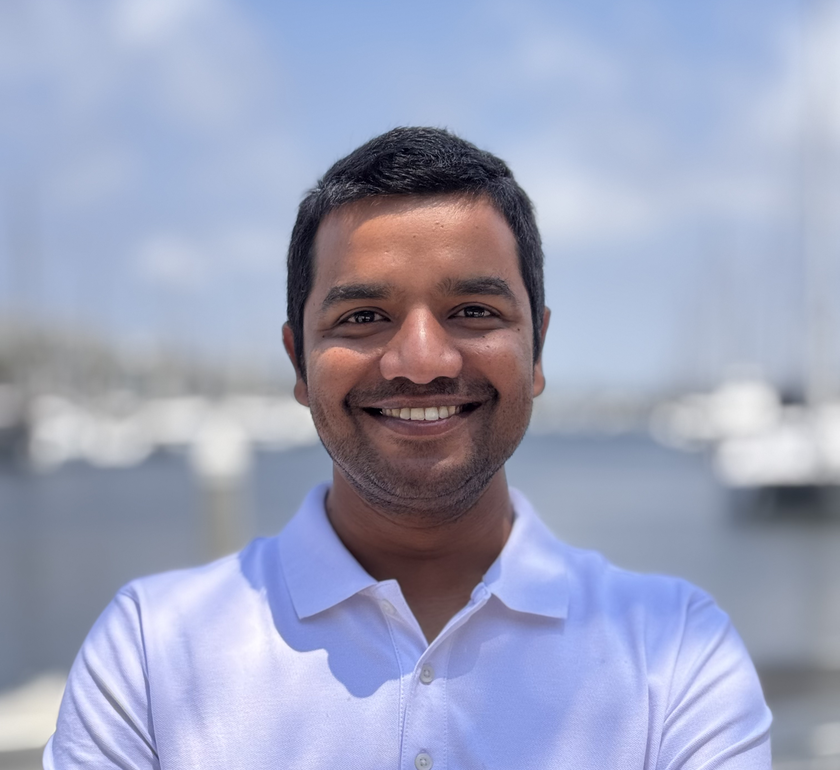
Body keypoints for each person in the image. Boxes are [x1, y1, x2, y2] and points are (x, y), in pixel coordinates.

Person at [45, 127, 771, 769]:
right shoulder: (150, 650)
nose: (421, 360)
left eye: (473, 312)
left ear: (538, 348)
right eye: (364, 315)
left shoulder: (675, 652)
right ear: (299, 361)